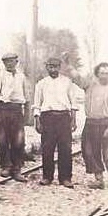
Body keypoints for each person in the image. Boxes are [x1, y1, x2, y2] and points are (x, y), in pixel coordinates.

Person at [33, 56, 79, 188]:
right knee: (47, 148)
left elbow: (73, 102)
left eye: (55, 66)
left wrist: (73, 119)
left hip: (64, 117)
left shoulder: (67, 82)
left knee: (65, 148)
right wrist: (37, 120)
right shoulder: (41, 83)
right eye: (50, 66)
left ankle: (65, 178)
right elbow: (37, 103)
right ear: (46, 67)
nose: (53, 69)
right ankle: (47, 176)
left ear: (59, 67)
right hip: (47, 117)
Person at [0, 52, 30, 181]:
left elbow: (27, 96)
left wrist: (27, 114)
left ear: (16, 62)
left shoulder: (22, 77)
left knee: (18, 141)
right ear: (4, 63)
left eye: (12, 61)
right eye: (6, 62)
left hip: (16, 110)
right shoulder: (0, 76)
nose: (9, 64)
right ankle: (5, 165)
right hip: (3, 109)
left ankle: (17, 168)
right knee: (2, 140)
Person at [82, 62, 108, 189]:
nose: (105, 76)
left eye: (107, 73)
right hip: (91, 123)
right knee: (90, 151)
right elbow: (77, 77)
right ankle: (99, 180)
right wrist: (68, 64)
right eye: (102, 73)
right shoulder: (90, 86)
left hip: (106, 123)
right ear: (97, 74)